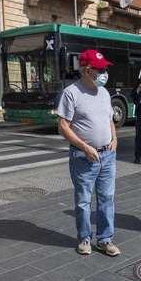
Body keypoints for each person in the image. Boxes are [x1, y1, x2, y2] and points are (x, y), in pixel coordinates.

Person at [56, 49, 120, 257]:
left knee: (106, 198)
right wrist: (85, 147)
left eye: (105, 69)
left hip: (107, 155)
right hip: (83, 157)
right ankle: (84, 238)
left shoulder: (104, 92)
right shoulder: (71, 93)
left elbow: (110, 118)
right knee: (83, 200)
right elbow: (63, 126)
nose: (105, 73)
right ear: (87, 70)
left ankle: (105, 239)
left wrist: (114, 138)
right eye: (101, 70)